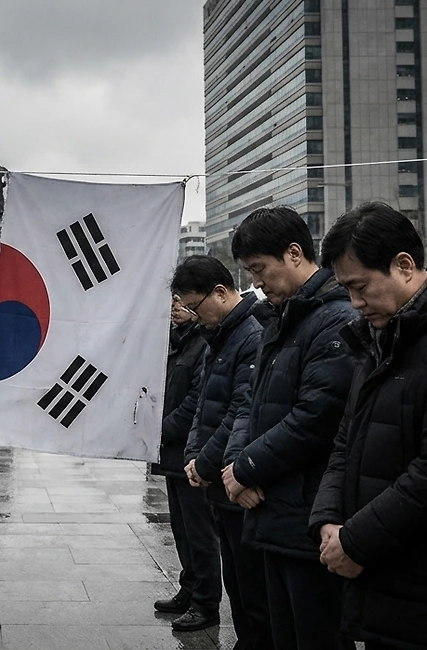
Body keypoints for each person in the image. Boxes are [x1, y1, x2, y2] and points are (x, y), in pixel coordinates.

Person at [310, 203, 427, 650]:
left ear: (405, 266)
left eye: (361, 287)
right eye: (346, 289)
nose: (355, 302)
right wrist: (328, 519)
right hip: (378, 570)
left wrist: (356, 541)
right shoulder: (381, 338)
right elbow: (345, 440)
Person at [223, 207, 358, 650]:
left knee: (315, 635)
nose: (256, 282)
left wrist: (247, 468)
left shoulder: (335, 319)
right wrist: (237, 465)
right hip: (274, 510)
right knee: (283, 634)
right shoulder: (282, 320)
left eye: (259, 269)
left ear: (295, 254)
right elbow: (250, 401)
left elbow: (316, 417)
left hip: (307, 513)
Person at [177, 255, 273, 650]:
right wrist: (194, 454)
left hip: (236, 477)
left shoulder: (250, 336)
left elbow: (240, 411)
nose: (193, 316)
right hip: (218, 475)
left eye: (194, 306)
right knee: (236, 582)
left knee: (252, 589)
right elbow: (204, 405)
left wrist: (205, 461)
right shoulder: (219, 335)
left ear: (220, 292)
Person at [152, 292, 221, 631]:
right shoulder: (175, 343)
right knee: (181, 528)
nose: (175, 310)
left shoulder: (204, 344)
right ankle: (189, 589)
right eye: (171, 303)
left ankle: (206, 603)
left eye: (181, 303)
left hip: (191, 452)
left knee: (200, 532)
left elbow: (196, 401)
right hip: (172, 453)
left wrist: (160, 430)